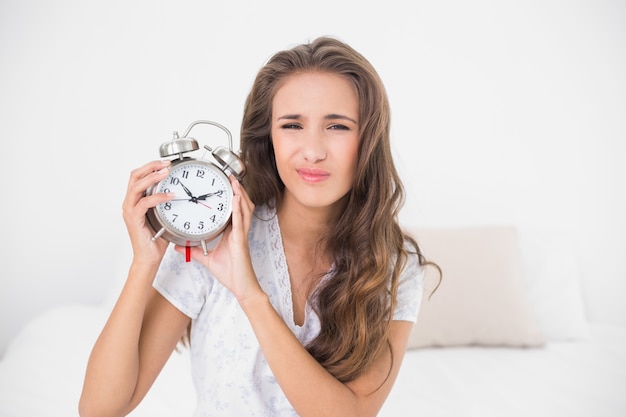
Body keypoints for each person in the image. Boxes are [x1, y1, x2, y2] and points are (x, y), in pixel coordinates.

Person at [79, 36, 434, 417]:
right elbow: (100, 410)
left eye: (338, 126)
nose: (313, 151)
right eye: (292, 125)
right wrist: (143, 264)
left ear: (369, 140)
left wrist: (250, 294)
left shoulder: (393, 266)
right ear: (270, 139)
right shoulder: (213, 240)